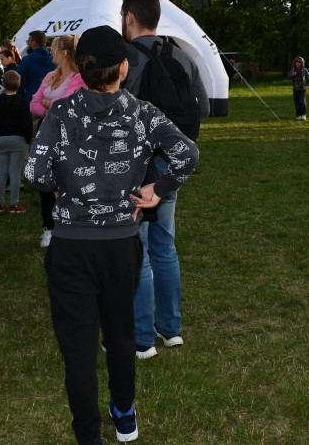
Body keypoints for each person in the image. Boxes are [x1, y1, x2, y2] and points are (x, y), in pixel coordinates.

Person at [24, 24, 199, 445]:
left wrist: (66, 183)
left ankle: (89, 434)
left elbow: (34, 173)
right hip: (122, 247)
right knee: (121, 337)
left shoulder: (60, 113)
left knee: (79, 350)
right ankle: (124, 413)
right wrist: (158, 190)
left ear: (81, 71)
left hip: (71, 248)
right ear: (123, 68)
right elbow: (186, 153)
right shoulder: (144, 113)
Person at [120, 0, 209, 360]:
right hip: (173, 164)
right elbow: (202, 107)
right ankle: (170, 329)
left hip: (139, 168)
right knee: (165, 245)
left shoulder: (128, 59)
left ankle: (142, 338)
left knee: (137, 247)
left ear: (129, 17)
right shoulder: (182, 56)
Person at [30, 34, 87, 243]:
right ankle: (49, 227)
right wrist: (48, 108)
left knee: (66, 182)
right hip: (46, 136)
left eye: (53, 49)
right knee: (45, 182)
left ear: (64, 52)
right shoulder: (50, 76)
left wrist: (48, 103)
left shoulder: (79, 77)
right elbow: (33, 103)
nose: (50, 52)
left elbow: (69, 104)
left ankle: (70, 224)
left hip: (69, 139)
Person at [0, 70, 32, 214]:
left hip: (1, 138)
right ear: (19, 85)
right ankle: (14, 204)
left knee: (1, 171)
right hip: (18, 139)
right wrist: (27, 139)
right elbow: (27, 124)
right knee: (15, 172)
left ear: (3, 84)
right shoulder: (23, 103)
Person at [16, 30, 53, 102]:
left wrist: (24, 99)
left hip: (32, 100)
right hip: (49, 101)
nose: (28, 44)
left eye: (29, 41)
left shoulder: (26, 60)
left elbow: (18, 84)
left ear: (34, 43)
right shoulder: (54, 60)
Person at [288, 56, 309, 120]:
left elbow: (308, 78)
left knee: (302, 101)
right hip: (295, 88)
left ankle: (303, 114)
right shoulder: (293, 70)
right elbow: (288, 77)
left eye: (299, 62)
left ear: (302, 63)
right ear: (295, 63)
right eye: (297, 62)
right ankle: (298, 115)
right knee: (297, 102)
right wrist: (292, 75)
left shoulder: (305, 70)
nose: (298, 64)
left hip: (303, 88)